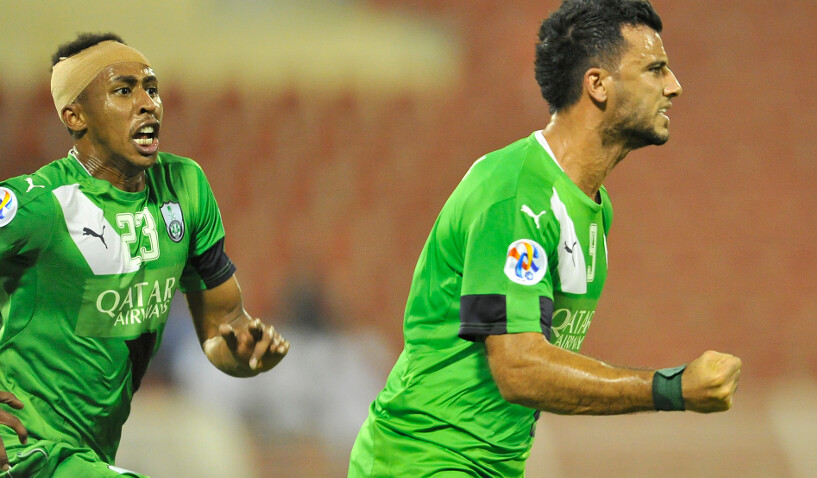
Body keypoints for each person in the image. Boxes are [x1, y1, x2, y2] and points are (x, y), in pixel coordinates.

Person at [348, 1, 742, 476]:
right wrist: (670, 389)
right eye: (655, 69)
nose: (674, 85)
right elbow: (518, 369)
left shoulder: (594, 206)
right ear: (597, 84)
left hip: (486, 465)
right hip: (422, 460)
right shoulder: (517, 194)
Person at [0, 32, 289, 477]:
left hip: (91, 452)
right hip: (24, 449)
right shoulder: (39, 203)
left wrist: (243, 354)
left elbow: (223, 324)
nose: (147, 103)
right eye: (123, 91)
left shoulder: (185, 187)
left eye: (151, 88)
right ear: (75, 115)